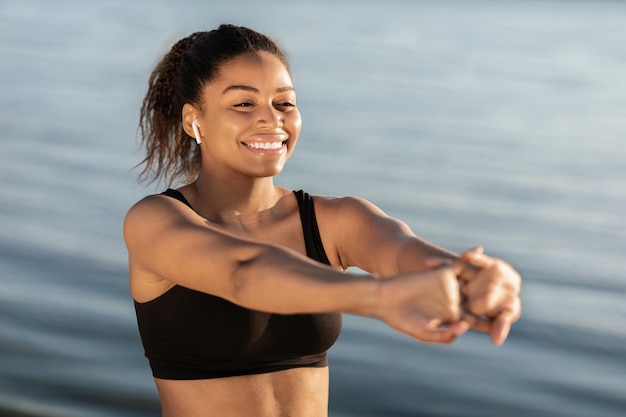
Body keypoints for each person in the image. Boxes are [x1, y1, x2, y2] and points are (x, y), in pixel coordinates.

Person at [123, 24, 521, 417]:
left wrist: (471, 278)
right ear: (195, 121)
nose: (271, 119)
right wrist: (383, 297)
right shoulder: (155, 221)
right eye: (244, 103)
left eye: (284, 102)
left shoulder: (334, 219)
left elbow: (402, 252)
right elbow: (243, 273)